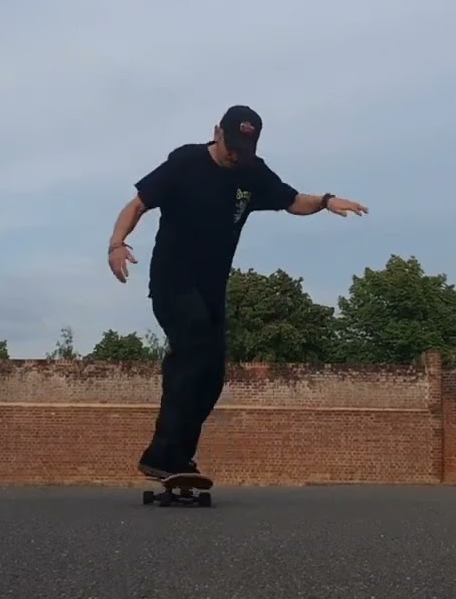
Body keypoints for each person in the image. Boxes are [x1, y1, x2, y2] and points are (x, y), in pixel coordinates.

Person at [106, 105, 368, 478]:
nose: (235, 156)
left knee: (211, 374)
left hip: (213, 289)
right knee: (194, 346)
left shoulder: (252, 172)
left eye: (243, 151)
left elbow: (292, 200)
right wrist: (117, 244)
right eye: (231, 147)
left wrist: (326, 201)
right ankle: (162, 453)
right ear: (217, 132)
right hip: (172, 282)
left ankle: (175, 456)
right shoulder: (185, 163)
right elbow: (138, 204)